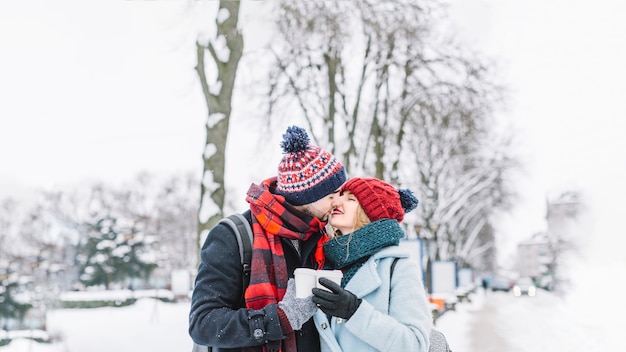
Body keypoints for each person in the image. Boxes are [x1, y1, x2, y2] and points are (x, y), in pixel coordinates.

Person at [189, 125, 347, 352]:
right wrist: (280, 318)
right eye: (332, 196)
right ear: (305, 196)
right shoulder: (233, 236)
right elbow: (202, 324)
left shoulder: (324, 237)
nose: (338, 203)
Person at [311, 177, 432, 352]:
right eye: (340, 196)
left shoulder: (399, 267)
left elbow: (415, 344)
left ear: (370, 214)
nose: (336, 202)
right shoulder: (325, 261)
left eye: (350, 199)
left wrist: (355, 312)